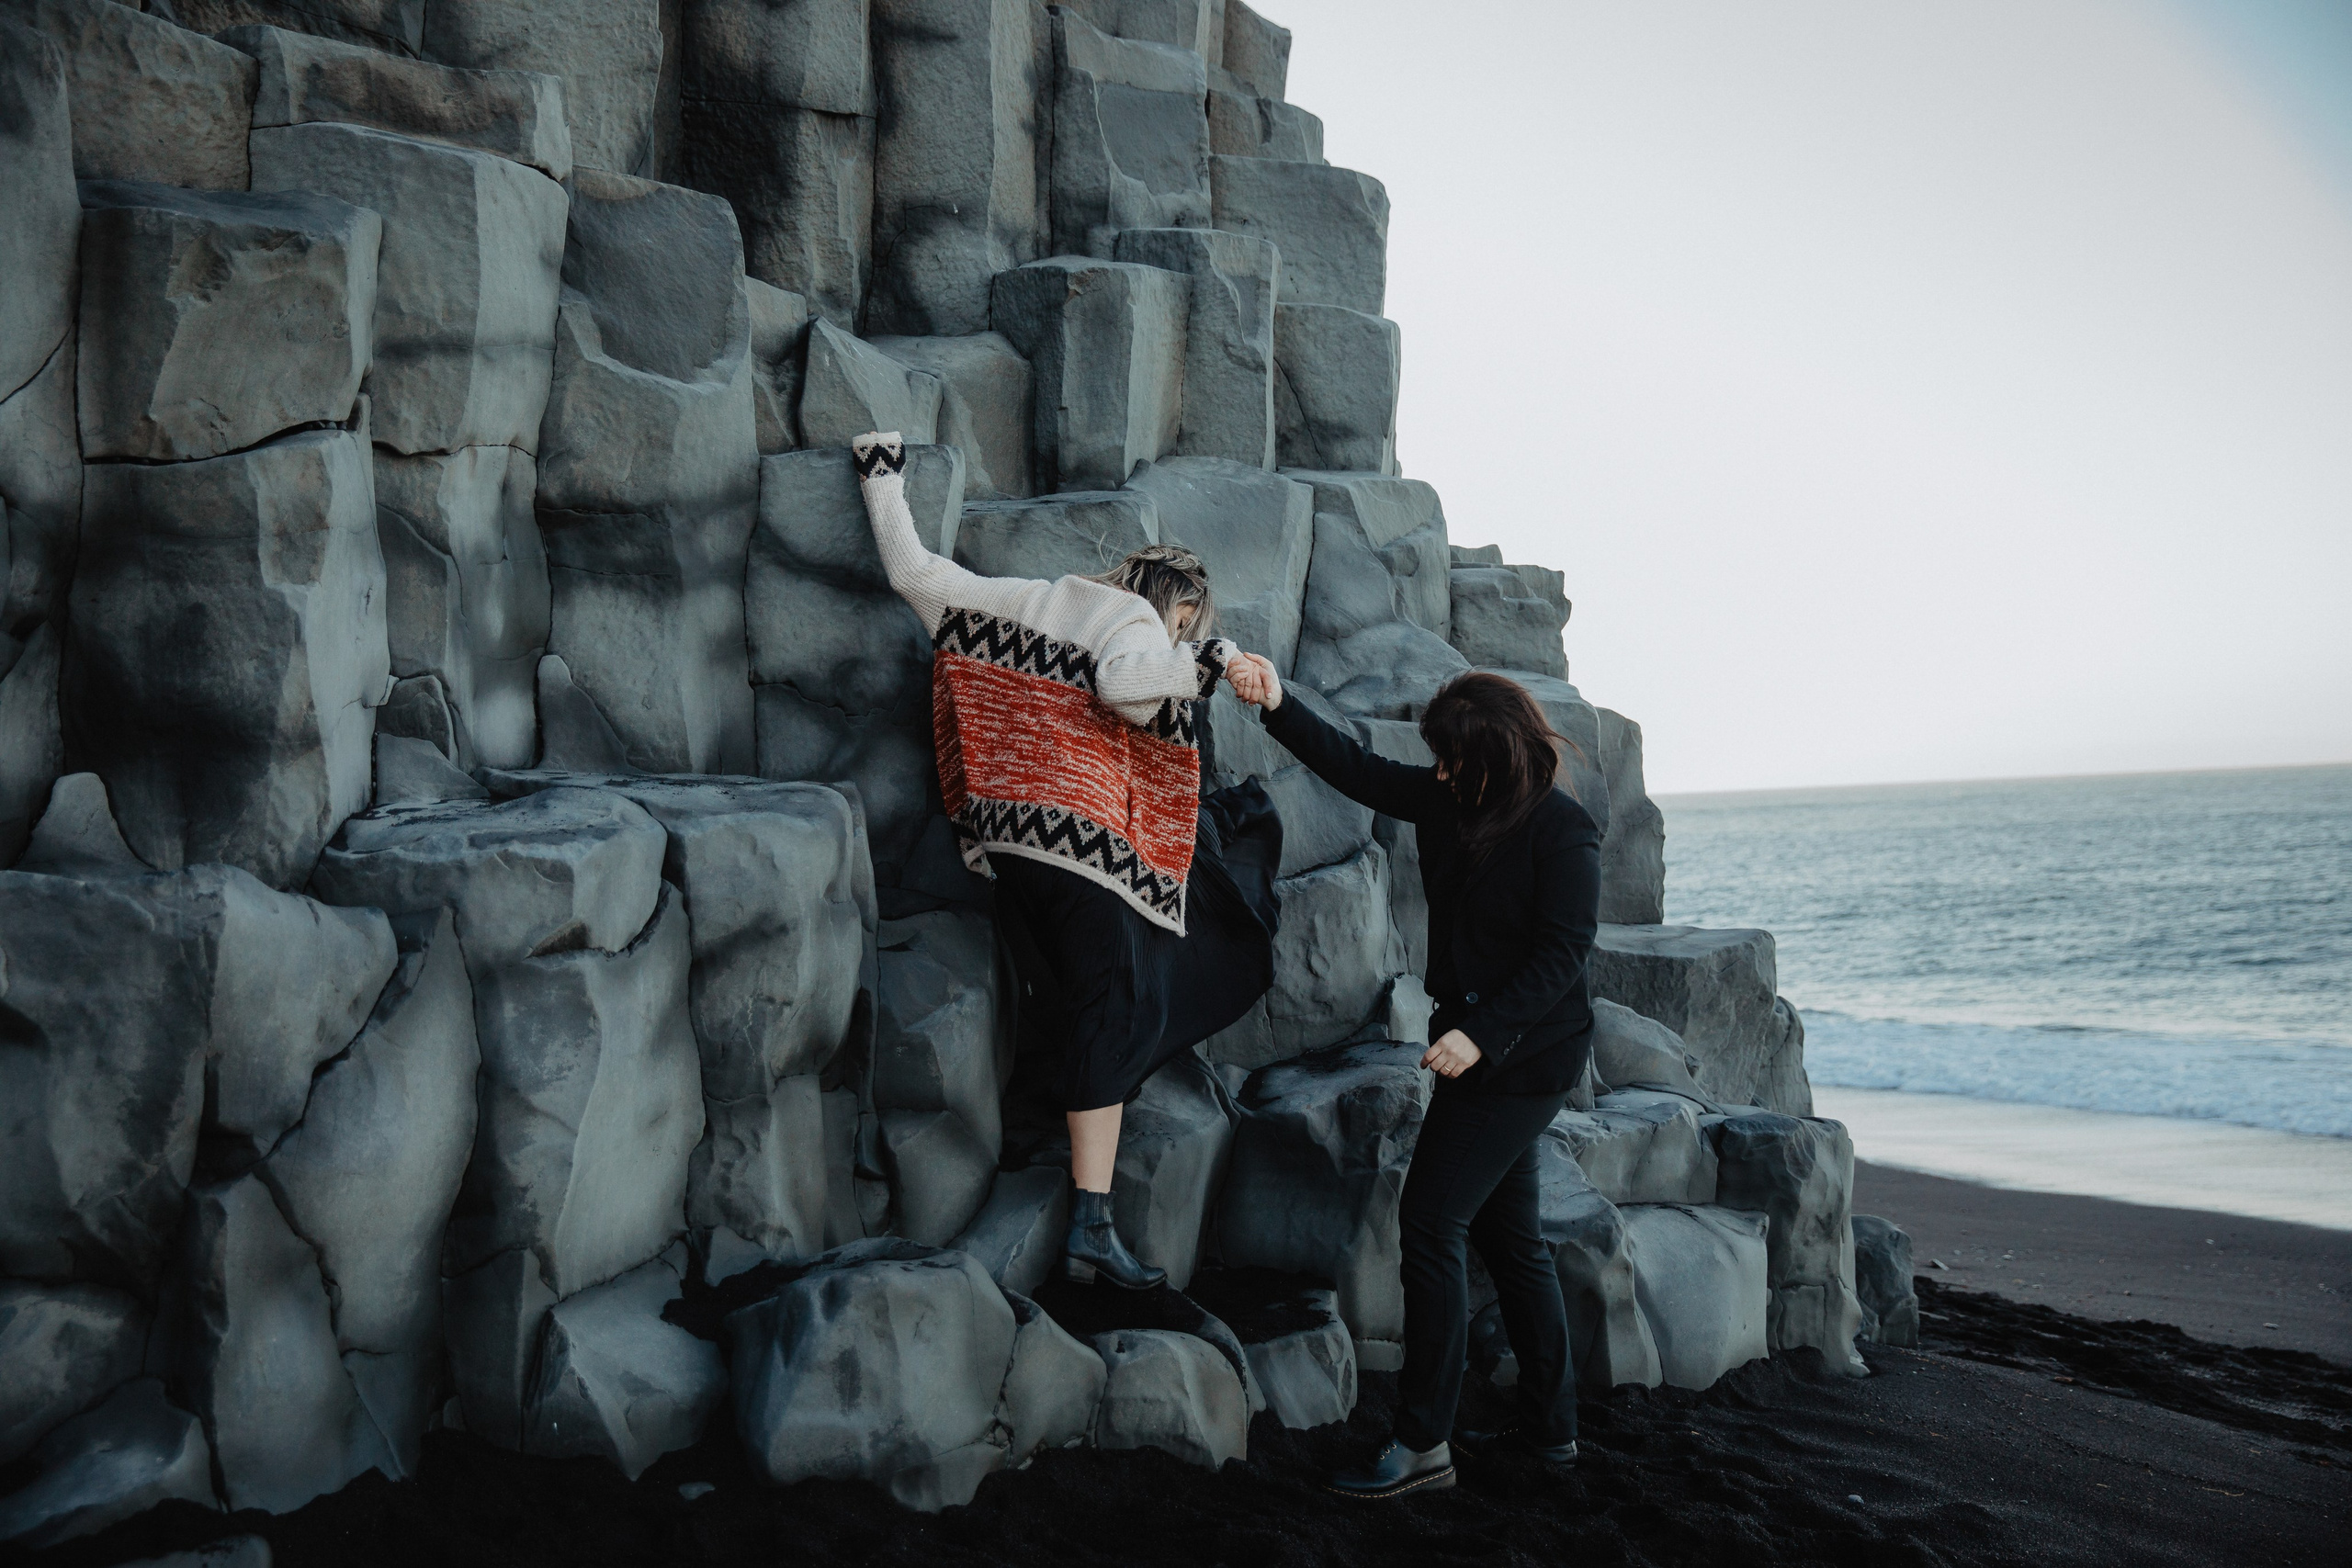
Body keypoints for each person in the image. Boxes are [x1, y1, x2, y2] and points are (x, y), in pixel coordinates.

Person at [851, 432, 1281, 1291]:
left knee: (1089, 997)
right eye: (1187, 620)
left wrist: (881, 471)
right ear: (1178, 601)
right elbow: (1126, 684)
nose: (1182, 633)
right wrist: (1208, 660)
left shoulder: (1021, 597)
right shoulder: (1133, 622)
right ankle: (1091, 1226)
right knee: (1123, 999)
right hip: (1081, 847)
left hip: (1012, 845)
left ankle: (1068, 1145)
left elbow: (912, 571)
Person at [1227, 653, 1601, 1500]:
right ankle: (1551, 1431)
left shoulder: (1561, 830)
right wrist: (1276, 699)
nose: (1438, 770)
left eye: (1453, 756)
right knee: (1510, 1241)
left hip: (1526, 1059)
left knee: (1431, 1224)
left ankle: (1423, 1442)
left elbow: (1562, 955)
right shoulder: (1448, 798)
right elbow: (1355, 767)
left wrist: (1482, 1033)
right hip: (1470, 1045)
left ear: (1496, 755)